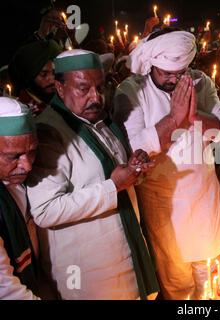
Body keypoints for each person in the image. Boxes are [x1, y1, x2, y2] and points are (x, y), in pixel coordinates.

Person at [26, 49, 159, 300]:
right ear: (59, 87)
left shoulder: (99, 120)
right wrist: (113, 187)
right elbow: (45, 210)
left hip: (124, 255)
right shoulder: (49, 133)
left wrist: (134, 169)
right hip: (89, 274)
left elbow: (111, 174)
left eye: (100, 87)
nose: (95, 97)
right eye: (83, 88)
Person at [114, 28, 220, 300]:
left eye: (181, 72)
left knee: (206, 270)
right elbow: (134, 148)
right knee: (175, 275)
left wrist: (194, 118)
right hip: (162, 197)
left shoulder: (201, 82)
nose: (174, 79)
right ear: (152, 64)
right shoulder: (131, 91)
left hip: (203, 190)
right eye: (166, 73)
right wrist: (173, 119)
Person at [0, 98, 40, 299]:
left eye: (31, 153)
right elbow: (7, 291)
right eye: (13, 157)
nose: (27, 166)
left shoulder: (18, 182)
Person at [8, 40, 62, 116]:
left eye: (54, 72)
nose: (52, 79)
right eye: (44, 74)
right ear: (29, 77)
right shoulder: (25, 112)